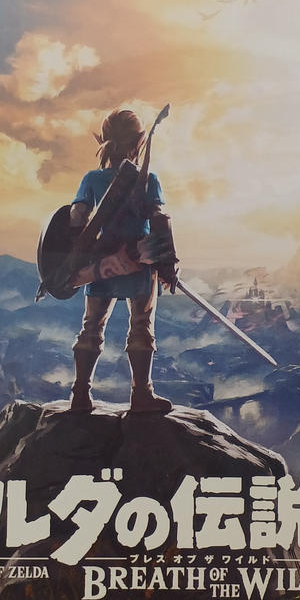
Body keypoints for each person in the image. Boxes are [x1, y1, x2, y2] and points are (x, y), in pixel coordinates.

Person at [69, 108, 176, 413]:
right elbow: (158, 219)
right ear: (138, 142)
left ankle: (80, 394)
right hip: (139, 263)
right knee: (141, 326)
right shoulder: (148, 179)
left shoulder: (92, 179)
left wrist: (77, 253)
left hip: (102, 264)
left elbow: (77, 217)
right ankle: (141, 394)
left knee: (91, 326)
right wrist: (167, 262)